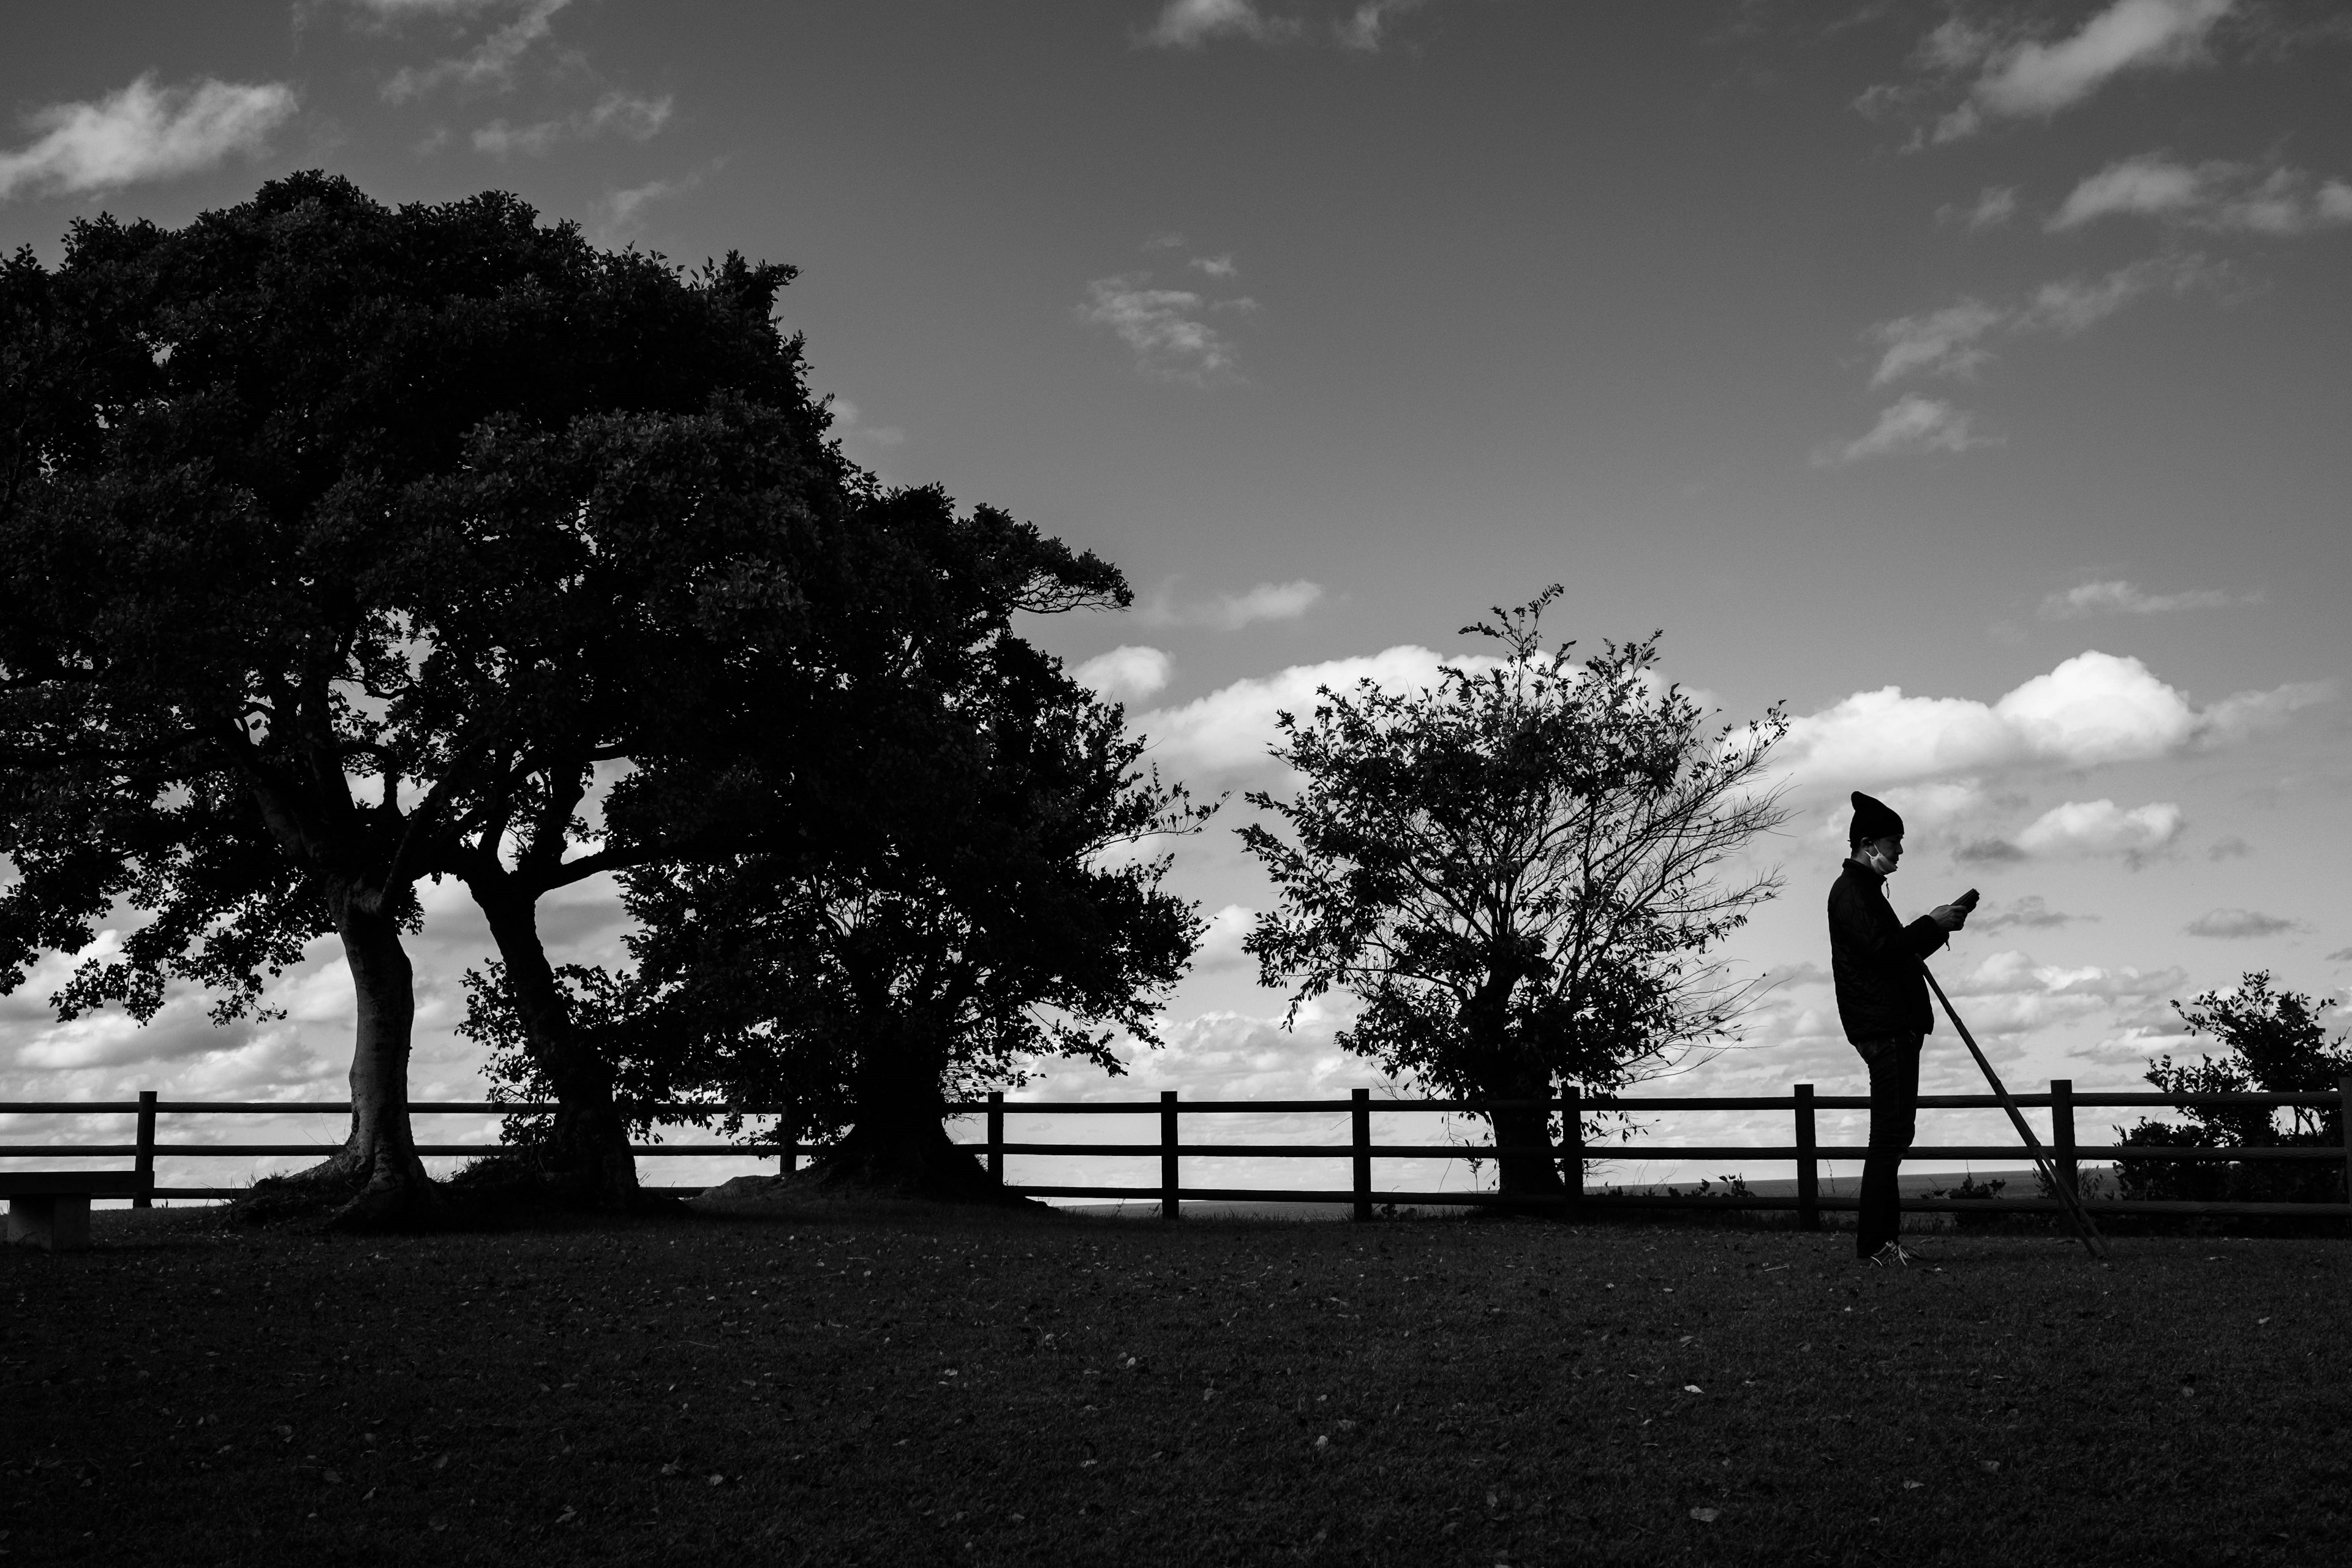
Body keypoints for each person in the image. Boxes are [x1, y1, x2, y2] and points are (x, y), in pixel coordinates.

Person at [1828, 790, 1970, 1266]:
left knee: (1895, 1134)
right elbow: (1885, 954)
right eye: (1894, 842)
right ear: (1867, 842)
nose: (1900, 852)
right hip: (1884, 1026)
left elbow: (1891, 955)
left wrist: (1938, 927)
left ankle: (1883, 1242)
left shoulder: (1861, 891)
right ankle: (1876, 1244)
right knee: (1889, 1137)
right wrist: (1931, 925)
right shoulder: (1851, 893)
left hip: (1890, 1024)